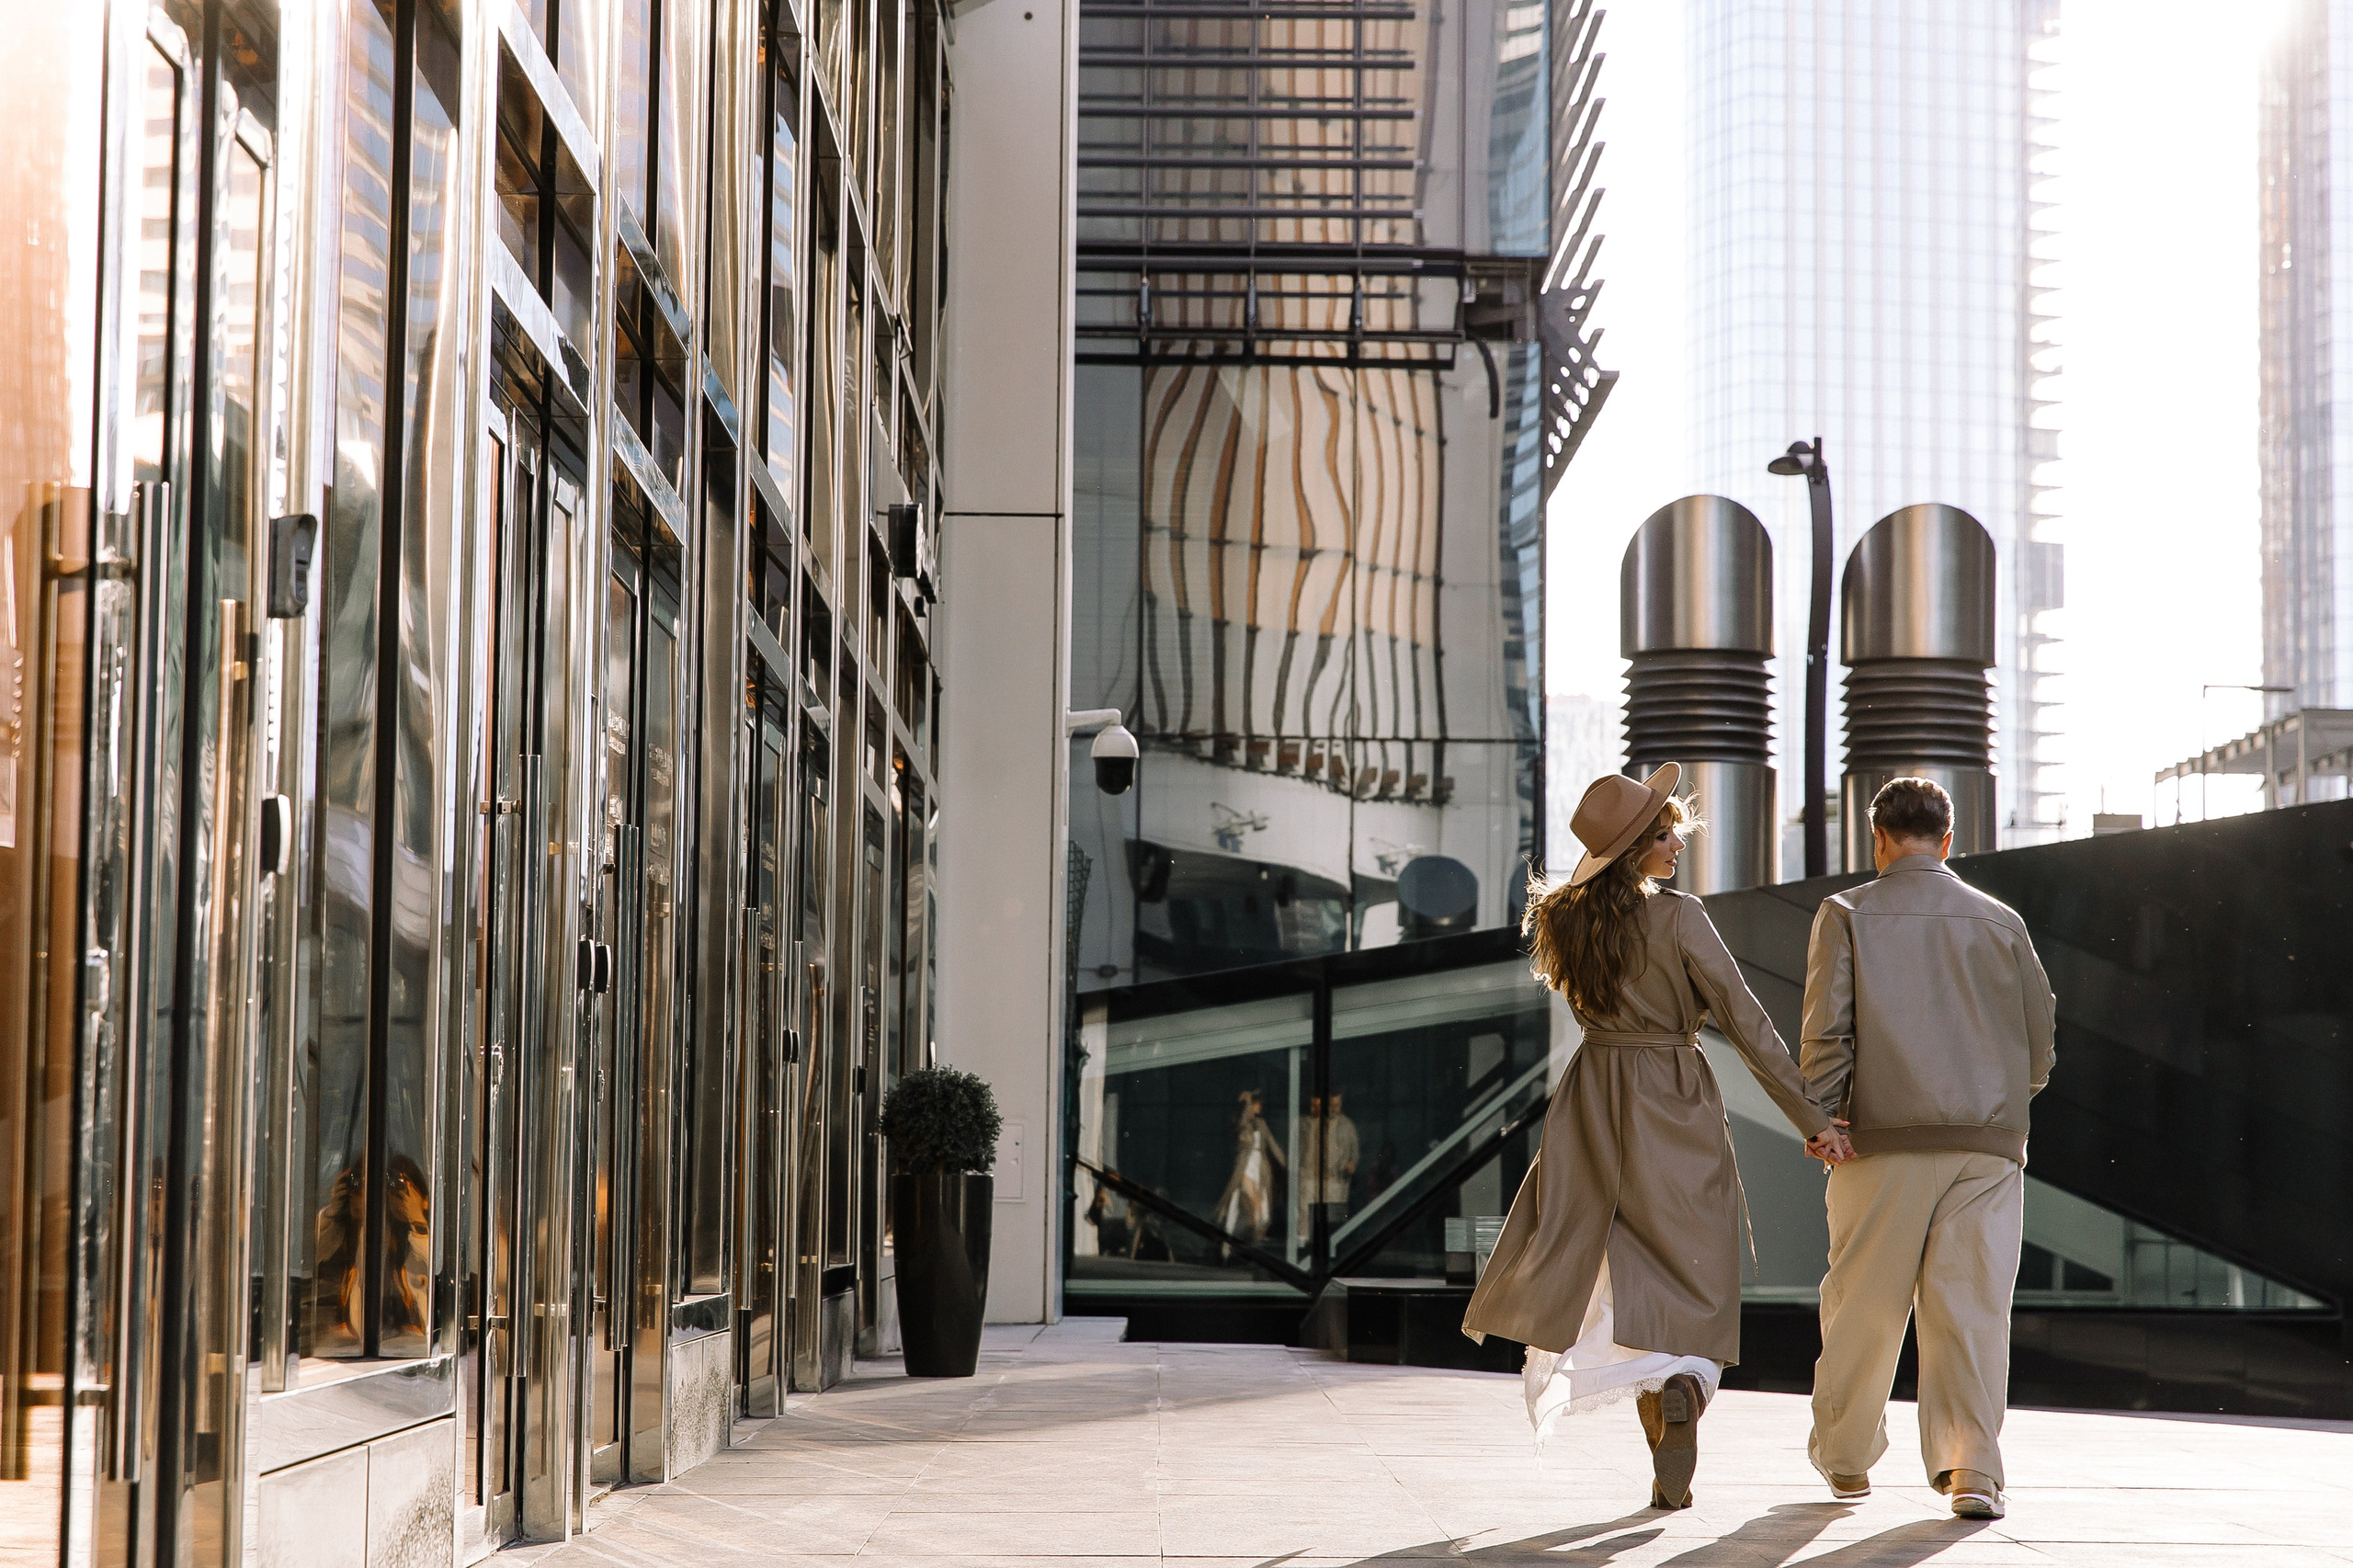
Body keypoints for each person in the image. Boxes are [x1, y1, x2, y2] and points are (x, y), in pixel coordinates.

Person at [1462, 765, 1841, 1510]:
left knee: (1608, 1265)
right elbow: (1745, 1021)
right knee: (1695, 1268)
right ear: (1635, 847)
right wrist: (1814, 1118)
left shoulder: (1567, 922)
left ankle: (1665, 1437)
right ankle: (1684, 1390)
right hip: (1673, 1099)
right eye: (1664, 834)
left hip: (1591, 1099)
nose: (1678, 844)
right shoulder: (1680, 916)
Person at [1800, 777, 2056, 1521]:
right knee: (1970, 1311)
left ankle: (1846, 1459)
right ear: (1948, 841)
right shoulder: (2002, 920)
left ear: (1878, 838)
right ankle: (1972, 1471)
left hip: (1877, 1142)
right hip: (1987, 1145)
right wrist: (1997, 1106)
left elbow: (1827, 1033)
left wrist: (1822, 1119)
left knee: (1864, 1305)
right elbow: (2040, 1043)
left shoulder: (1847, 913)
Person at [1212, 1088, 1285, 1253]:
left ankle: (1251, 1244)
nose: (1260, 1106)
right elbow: (1239, 1132)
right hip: (1244, 1168)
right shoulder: (1240, 1123)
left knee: (1261, 1211)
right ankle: (1231, 1247)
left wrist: (1286, 1165)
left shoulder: (1261, 1124)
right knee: (1243, 1205)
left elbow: (1273, 1145)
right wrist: (1245, 1104)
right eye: (1256, 1103)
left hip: (1260, 1168)